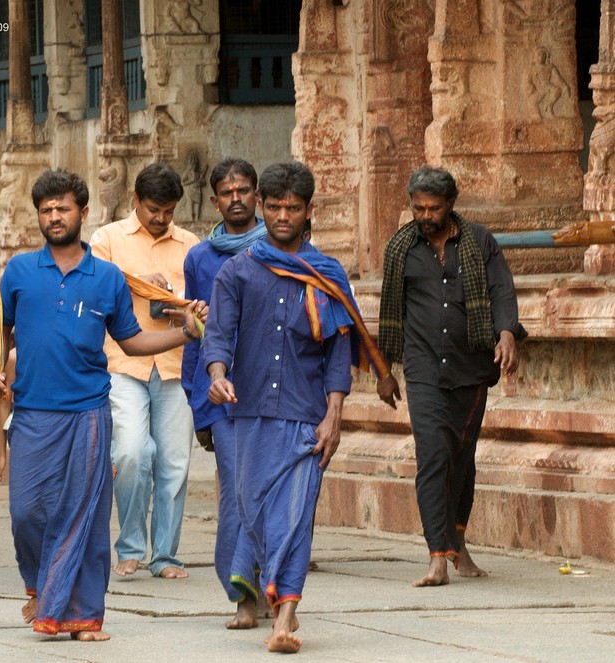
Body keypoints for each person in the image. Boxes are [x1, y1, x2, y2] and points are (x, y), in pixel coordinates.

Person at [0, 169, 206, 641]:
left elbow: (131, 339)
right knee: (26, 514)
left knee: (85, 514)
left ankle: (83, 616)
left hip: (88, 412)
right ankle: (43, 585)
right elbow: (0, 329)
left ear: (83, 213)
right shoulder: (20, 270)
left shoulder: (107, 278)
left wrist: (183, 333)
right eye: (46, 209)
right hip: (34, 414)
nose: (54, 216)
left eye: (63, 208)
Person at [205, 162, 385, 653]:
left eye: (294, 207)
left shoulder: (326, 274)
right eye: (276, 206)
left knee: (295, 513)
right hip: (249, 412)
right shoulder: (237, 270)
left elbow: (337, 353)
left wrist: (335, 415)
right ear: (263, 206)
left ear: (310, 211)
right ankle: (257, 594)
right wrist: (217, 377)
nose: (284, 215)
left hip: (308, 414)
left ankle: (285, 615)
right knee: (253, 509)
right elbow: (218, 334)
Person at [377, 165, 524, 587]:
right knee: (433, 457)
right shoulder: (400, 248)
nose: (425, 215)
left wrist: (507, 333)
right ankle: (436, 556)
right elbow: (390, 312)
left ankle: (458, 545)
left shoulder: (479, 242)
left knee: (462, 459)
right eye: (418, 207)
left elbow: (501, 290)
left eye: (433, 207)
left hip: (472, 366)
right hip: (422, 369)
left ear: (450, 205)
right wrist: (384, 371)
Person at [90, 162, 199, 580]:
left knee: (174, 462)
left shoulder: (191, 244)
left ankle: (166, 555)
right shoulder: (107, 239)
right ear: (135, 200)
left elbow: (204, 301)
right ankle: (131, 545)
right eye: (153, 208)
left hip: (175, 365)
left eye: (168, 211)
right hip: (123, 362)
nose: (160, 218)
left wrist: (182, 306)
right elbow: (95, 283)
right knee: (132, 453)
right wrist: (137, 281)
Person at [182, 157, 266, 627]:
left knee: (268, 493)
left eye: (244, 190)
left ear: (256, 195)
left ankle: (271, 582)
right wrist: (199, 409)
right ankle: (242, 594)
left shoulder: (281, 247)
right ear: (215, 201)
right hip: (221, 393)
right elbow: (197, 330)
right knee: (236, 493)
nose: (236, 199)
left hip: (275, 390)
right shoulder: (200, 257)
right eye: (227, 192)